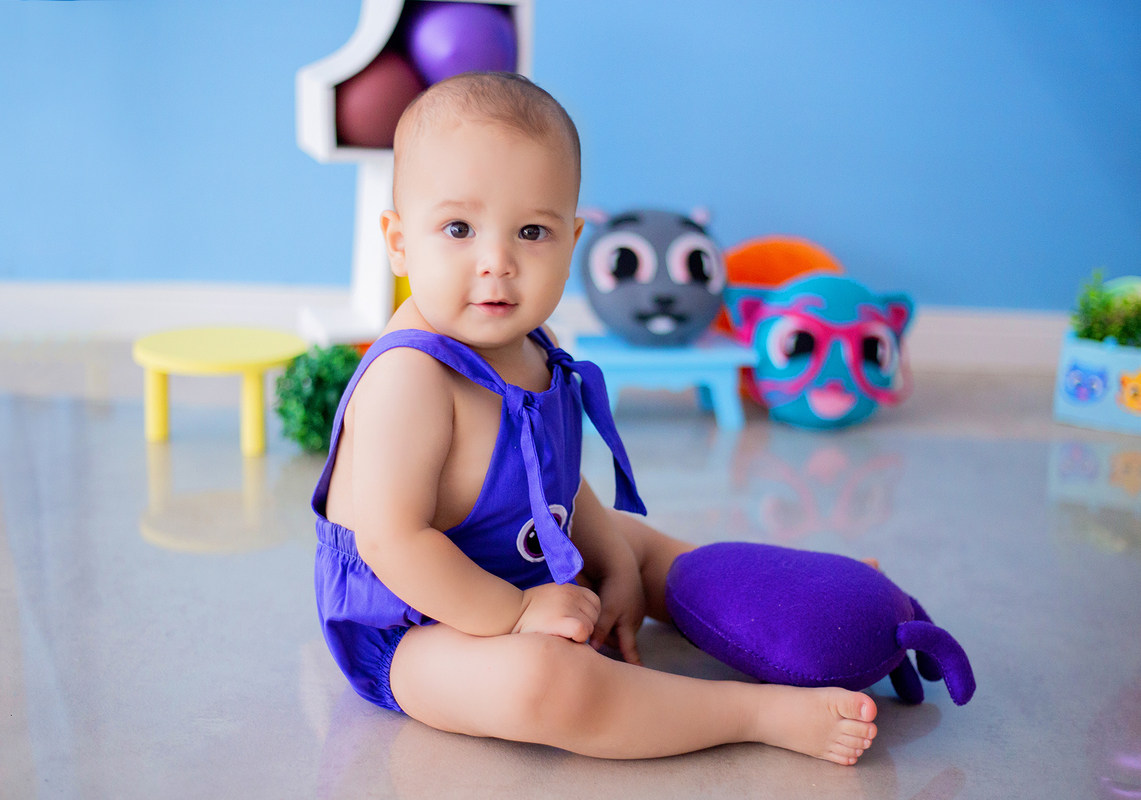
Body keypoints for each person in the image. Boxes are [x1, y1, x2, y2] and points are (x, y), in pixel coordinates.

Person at [311, 71, 878, 764]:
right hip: (413, 625)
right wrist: (519, 613)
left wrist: (612, 561)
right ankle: (752, 714)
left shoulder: (534, 345)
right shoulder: (410, 379)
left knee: (638, 547)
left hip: (517, 554)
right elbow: (393, 542)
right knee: (543, 683)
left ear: (571, 239)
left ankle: (802, 603)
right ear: (399, 242)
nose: (497, 263)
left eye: (531, 231)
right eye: (458, 228)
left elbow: (546, 477)